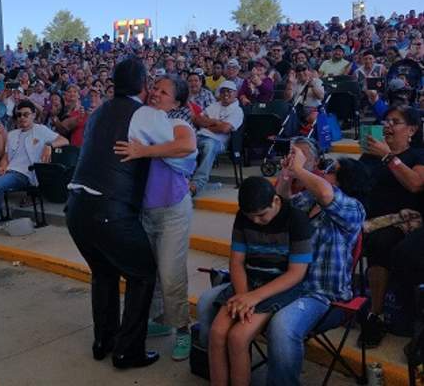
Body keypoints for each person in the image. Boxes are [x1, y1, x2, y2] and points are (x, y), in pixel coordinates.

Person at [66, 58, 184, 369]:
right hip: (109, 209)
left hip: (76, 209)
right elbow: (181, 151)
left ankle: (103, 341)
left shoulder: (98, 111)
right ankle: (127, 351)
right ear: (144, 84)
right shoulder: (144, 113)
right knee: (142, 274)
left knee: (104, 274)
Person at [267, 147, 368, 386]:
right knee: (216, 302)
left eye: (331, 170)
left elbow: (326, 194)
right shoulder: (309, 199)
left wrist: (301, 169)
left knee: (282, 327)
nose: (324, 171)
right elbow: (280, 207)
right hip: (288, 282)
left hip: (323, 295)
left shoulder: (353, 208)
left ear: (345, 181)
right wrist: (286, 174)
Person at [113, 75, 197, 361]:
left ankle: (184, 330)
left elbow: (186, 146)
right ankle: (161, 322)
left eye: (164, 92)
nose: (156, 94)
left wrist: (144, 151)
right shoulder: (141, 121)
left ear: (177, 102)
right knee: (150, 273)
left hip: (173, 210)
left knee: (171, 275)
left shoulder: (176, 124)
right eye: (155, 89)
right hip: (144, 213)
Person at [208, 176, 312, 386]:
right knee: (217, 333)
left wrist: (252, 298)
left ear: (275, 201)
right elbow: (237, 262)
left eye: (261, 216)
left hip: (280, 286)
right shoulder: (243, 217)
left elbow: (296, 274)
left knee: (238, 338)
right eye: (250, 216)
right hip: (249, 282)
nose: (255, 221)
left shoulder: (297, 219)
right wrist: (242, 295)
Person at [359, 105, 424, 347]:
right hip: (369, 220)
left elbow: (416, 184)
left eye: (395, 122)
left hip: (404, 221)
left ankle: (376, 314)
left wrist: (388, 157)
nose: (388, 125)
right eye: (386, 121)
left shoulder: (418, 155)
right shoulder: (369, 155)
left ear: (412, 129)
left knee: (381, 241)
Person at [0, 100, 68, 235]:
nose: (22, 117)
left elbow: (65, 140)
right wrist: (2, 166)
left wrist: (49, 145)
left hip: (25, 173)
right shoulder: (12, 134)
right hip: (7, 170)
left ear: (33, 115)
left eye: (26, 114)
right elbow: (6, 156)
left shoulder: (41, 130)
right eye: (19, 115)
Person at [190, 81, 244, 196]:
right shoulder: (215, 105)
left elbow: (225, 129)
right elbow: (197, 119)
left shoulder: (237, 110)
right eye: (223, 91)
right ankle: (184, 180)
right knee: (184, 143)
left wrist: (207, 124)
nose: (225, 94)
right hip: (199, 136)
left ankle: (197, 184)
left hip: (218, 142)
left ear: (235, 93)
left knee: (209, 145)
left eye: (229, 91)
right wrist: (215, 122)